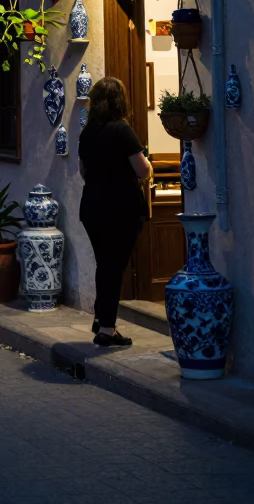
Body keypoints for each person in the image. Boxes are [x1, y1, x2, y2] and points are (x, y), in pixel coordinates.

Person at [78, 76, 153, 348]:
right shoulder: (123, 130)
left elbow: (83, 171)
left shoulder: (87, 133)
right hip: (121, 209)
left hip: (92, 208)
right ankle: (107, 330)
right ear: (119, 101)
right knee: (114, 267)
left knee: (104, 264)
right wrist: (150, 172)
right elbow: (142, 170)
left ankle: (102, 319)